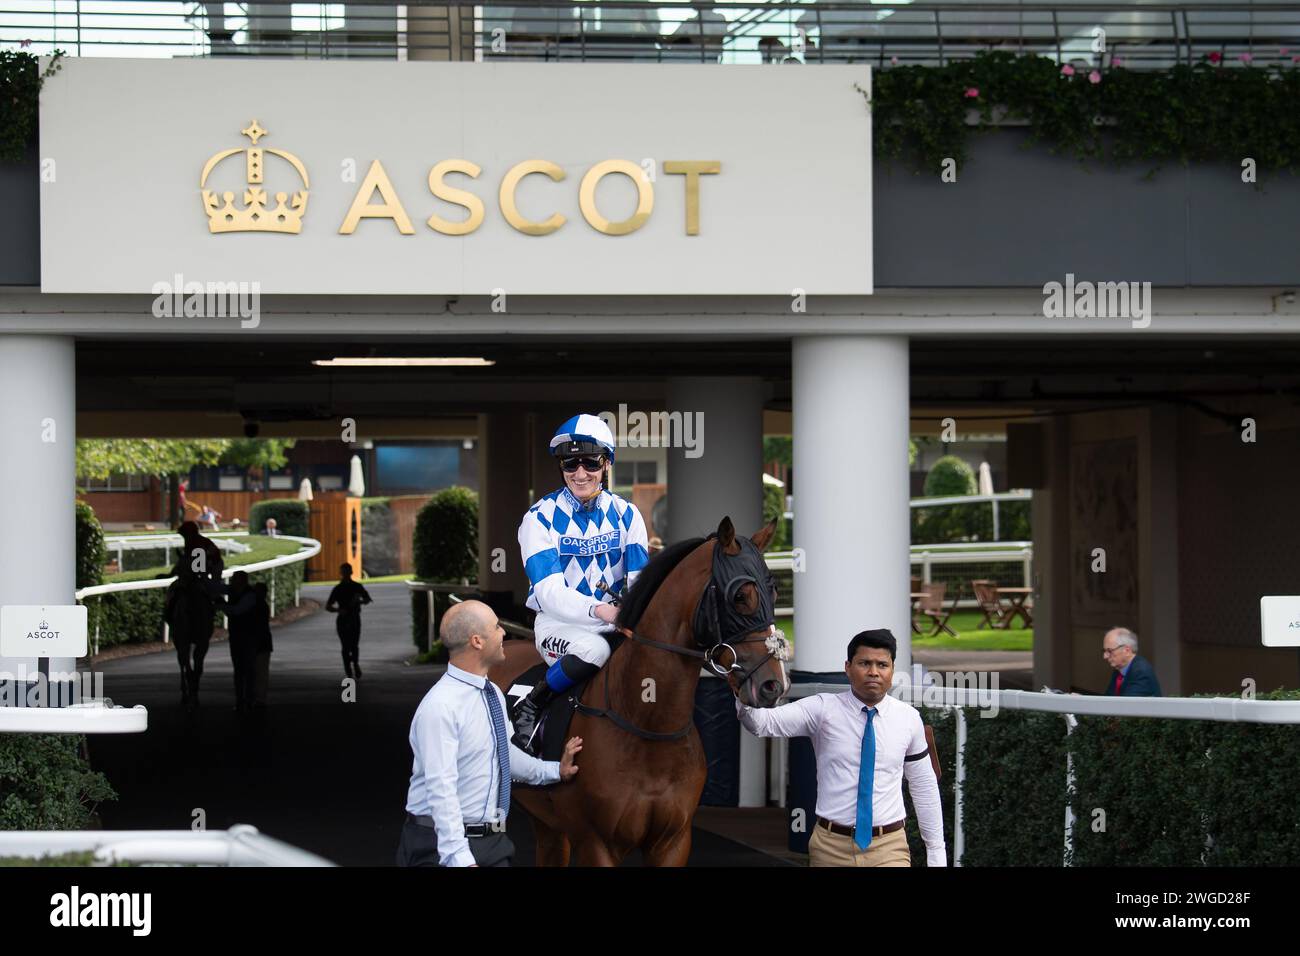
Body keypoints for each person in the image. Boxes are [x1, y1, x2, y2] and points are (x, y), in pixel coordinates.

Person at [737, 629, 947, 867]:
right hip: (830, 847)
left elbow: (924, 786)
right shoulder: (822, 709)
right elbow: (761, 724)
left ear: (892, 670)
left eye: (882, 664)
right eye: (864, 663)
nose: (873, 672)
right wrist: (741, 690)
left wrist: (936, 852)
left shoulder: (909, 719)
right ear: (848, 667)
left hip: (889, 848)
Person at [398, 600, 582, 867]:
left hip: (491, 844)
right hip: (439, 848)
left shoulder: (492, 693)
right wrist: (458, 857)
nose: (503, 633)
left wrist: (556, 771)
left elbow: (506, 758)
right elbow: (441, 787)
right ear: (477, 641)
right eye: (496, 627)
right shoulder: (440, 707)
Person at [509, 414, 650, 755]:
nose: (580, 472)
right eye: (570, 463)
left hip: (616, 624)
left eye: (590, 462)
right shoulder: (539, 518)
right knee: (595, 651)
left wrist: (628, 610)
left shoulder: (627, 514)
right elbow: (550, 592)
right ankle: (531, 704)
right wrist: (600, 610)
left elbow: (640, 581)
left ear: (606, 464)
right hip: (559, 625)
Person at [163, 520, 226, 624]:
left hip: (215, 564)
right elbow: (184, 561)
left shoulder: (198, 543)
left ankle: (222, 607)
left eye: (184, 534)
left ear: (190, 533)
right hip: (204, 564)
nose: (183, 537)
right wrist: (171, 573)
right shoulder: (190, 542)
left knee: (210, 587)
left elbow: (199, 569)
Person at [219, 571, 259, 712]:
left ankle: (248, 699)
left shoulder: (249, 596)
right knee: (241, 670)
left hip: (246, 637)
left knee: (246, 669)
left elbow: (235, 611)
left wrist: (221, 604)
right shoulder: (242, 593)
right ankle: (243, 699)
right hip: (239, 637)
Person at [326, 563, 372, 680]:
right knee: (347, 645)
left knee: (353, 645)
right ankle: (349, 667)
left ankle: (354, 664)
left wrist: (359, 601)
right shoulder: (339, 589)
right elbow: (328, 606)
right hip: (344, 619)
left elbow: (367, 599)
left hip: (354, 618)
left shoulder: (356, 587)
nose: (346, 574)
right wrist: (339, 610)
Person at [1102, 627, 1162, 696]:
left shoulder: (1141, 672)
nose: (1105, 656)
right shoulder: (1119, 670)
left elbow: (1125, 705)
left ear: (1127, 651)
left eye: (1109, 651)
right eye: (1104, 651)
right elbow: (1108, 699)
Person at [252, 581, 273, 708]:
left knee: (258, 671)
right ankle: (261, 697)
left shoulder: (257, 606)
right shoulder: (263, 606)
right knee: (262, 671)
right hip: (264, 642)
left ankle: (258, 697)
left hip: (258, 642)